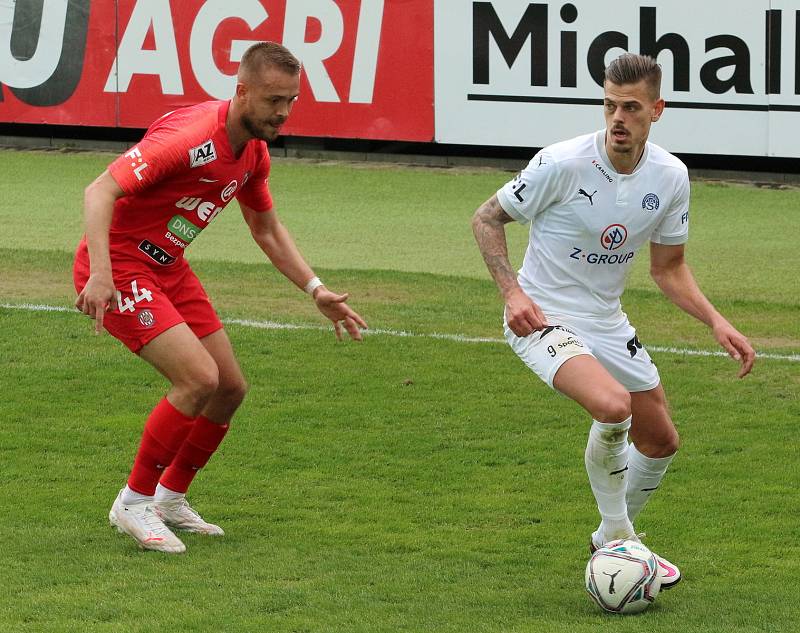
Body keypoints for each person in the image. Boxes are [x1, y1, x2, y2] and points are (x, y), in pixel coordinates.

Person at [471, 53, 755, 588]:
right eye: (608, 105)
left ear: (657, 109)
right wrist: (512, 294)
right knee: (611, 405)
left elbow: (668, 268)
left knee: (661, 440)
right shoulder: (561, 163)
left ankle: (611, 545)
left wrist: (716, 321)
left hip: (605, 320)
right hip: (541, 316)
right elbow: (486, 218)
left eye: (630, 107)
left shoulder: (670, 176)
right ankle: (621, 536)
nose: (617, 118)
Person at [74, 41, 367, 553]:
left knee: (229, 387)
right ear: (242, 92)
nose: (284, 112)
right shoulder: (189, 139)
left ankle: (169, 499)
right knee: (197, 379)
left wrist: (315, 289)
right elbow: (100, 190)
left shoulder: (252, 152)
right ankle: (134, 501)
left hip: (167, 265)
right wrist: (101, 274)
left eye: (292, 99)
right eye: (274, 99)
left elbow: (267, 228)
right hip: (119, 266)